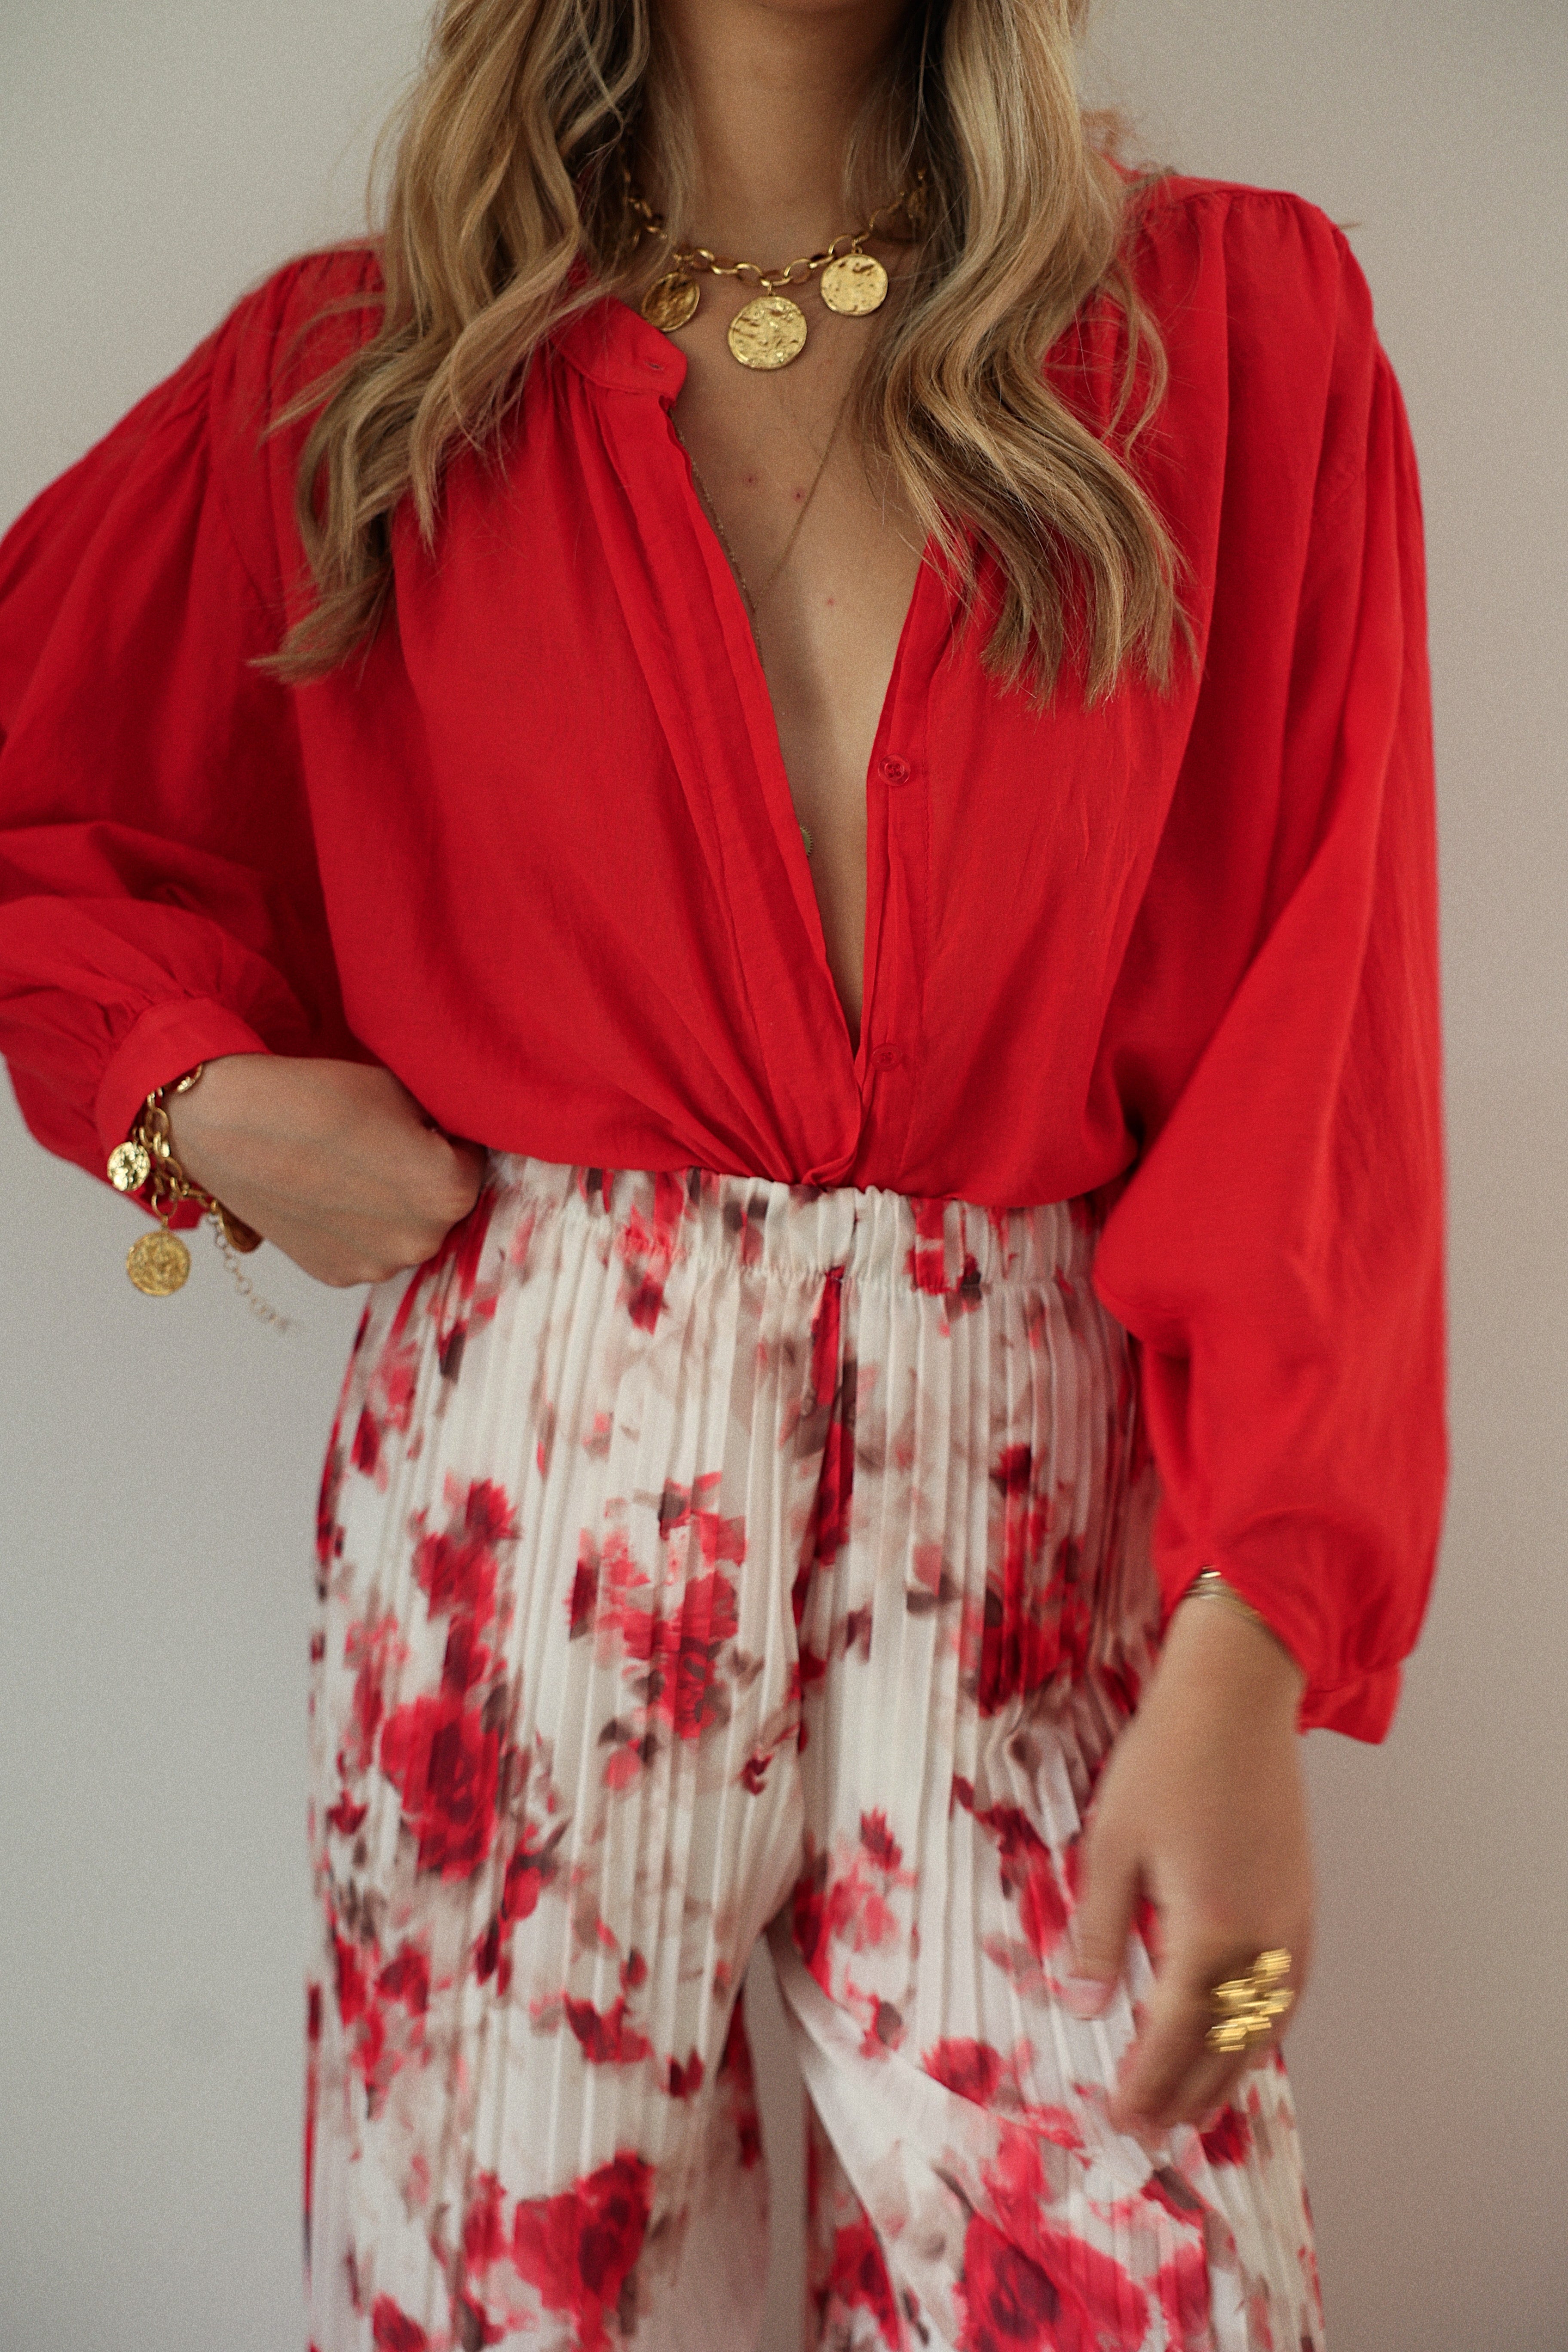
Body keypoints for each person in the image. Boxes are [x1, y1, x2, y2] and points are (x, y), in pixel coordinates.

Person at [0, 0, 1445, 2343]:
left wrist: (1265, 1640)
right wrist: (186, 1104)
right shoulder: (363, 381)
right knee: (496, 2307)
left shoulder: (1232, 331)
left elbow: (1330, 1024)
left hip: (1046, 1530)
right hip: (523, 1481)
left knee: (1176, 2259)